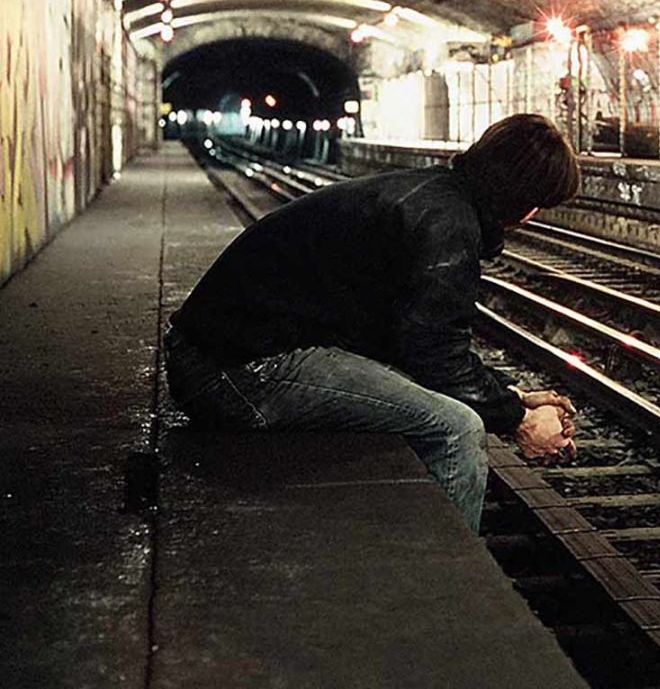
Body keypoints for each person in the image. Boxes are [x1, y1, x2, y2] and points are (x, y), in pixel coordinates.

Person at [164, 113, 581, 533]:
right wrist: (517, 420)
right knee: (456, 430)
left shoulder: (430, 194)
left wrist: (507, 394)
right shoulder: (447, 224)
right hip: (235, 373)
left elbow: (412, 340)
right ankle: (445, 586)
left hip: (218, 354)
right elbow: (433, 352)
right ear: (523, 202)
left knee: (423, 396)